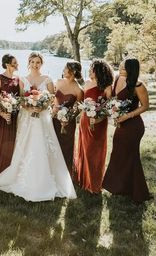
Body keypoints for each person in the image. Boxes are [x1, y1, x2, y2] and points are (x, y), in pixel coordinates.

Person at [0, 52, 77, 201]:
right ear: (29, 63)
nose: (35, 65)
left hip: (43, 118)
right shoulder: (23, 79)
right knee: (26, 145)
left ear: (41, 64)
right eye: (33, 62)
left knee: (42, 145)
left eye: (38, 62)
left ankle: (45, 180)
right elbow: (22, 99)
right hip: (27, 117)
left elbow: (50, 99)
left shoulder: (48, 79)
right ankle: (23, 178)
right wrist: (30, 108)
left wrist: (41, 107)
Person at [102, 57, 151, 203]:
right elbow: (113, 99)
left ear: (131, 70)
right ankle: (119, 187)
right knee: (118, 154)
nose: (120, 70)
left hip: (133, 126)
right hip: (121, 124)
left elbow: (145, 106)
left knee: (131, 156)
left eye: (123, 68)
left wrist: (127, 116)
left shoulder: (138, 85)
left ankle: (137, 191)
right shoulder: (117, 79)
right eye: (120, 67)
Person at [74, 59, 113, 193]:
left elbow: (109, 108)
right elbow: (82, 103)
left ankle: (95, 184)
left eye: (92, 69)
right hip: (85, 121)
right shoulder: (87, 84)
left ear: (99, 71)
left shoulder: (107, 87)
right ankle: (84, 180)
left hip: (100, 123)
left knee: (95, 152)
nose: (89, 71)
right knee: (85, 149)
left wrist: (98, 119)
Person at [0, 54, 22, 177]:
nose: (17, 64)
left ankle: (10, 173)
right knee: (1, 142)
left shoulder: (18, 79)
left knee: (13, 142)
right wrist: (2, 113)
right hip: (2, 116)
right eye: (15, 62)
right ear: (8, 64)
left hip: (14, 116)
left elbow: (19, 98)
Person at [52, 61, 84, 175]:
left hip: (67, 123)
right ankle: (52, 171)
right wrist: (53, 111)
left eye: (66, 68)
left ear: (73, 71)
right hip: (54, 119)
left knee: (66, 147)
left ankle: (65, 173)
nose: (64, 70)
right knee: (53, 144)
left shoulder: (79, 89)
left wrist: (68, 118)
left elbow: (79, 108)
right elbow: (54, 100)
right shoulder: (59, 82)